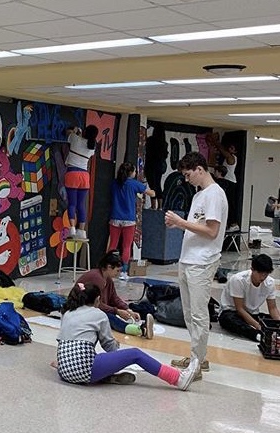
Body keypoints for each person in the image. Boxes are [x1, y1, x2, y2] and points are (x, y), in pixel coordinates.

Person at [54, 282, 199, 389]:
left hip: (64, 372)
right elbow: (110, 348)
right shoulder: (99, 314)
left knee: (94, 356)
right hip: (85, 371)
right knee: (135, 354)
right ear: (97, 299)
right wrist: (116, 345)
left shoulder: (67, 313)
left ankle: (105, 377)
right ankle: (178, 379)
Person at [166, 152, 228, 378]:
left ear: (200, 169)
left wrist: (181, 222)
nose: (186, 179)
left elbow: (212, 231)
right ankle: (198, 357)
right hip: (188, 259)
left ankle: (197, 362)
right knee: (189, 313)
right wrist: (179, 225)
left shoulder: (214, 194)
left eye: (188, 174)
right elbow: (197, 227)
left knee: (199, 315)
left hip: (202, 262)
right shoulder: (198, 196)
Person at [76, 250, 155, 339]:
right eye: (117, 270)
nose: (118, 273)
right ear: (109, 267)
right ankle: (140, 330)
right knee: (107, 316)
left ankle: (141, 324)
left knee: (112, 313)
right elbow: (97, 305)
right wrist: (117, 311)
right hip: (81, 309)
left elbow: (114, 298)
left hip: (92, 308)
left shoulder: (107, 279)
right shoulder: (97, 278)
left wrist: (127, 309)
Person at [108, 161, 155, 275]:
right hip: (129, 219)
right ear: (131, 173)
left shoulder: (114, 183)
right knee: (126, 246)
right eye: (134, 171)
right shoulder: (134, 184)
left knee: (113, 244)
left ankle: (109, 268)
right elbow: (152, 194)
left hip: (115, 217)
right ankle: (123, 271)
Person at [218, 254, 279, 341]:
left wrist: (277, 324)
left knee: (269, 321)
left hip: (253, 314)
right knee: (229, 320)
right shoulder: (238, 280)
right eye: (260, 273)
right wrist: (257, 326)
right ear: (252, 269)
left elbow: (273, 308)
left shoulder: (270, 283)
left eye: (265, 274)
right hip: (232, 312)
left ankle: (265, 332)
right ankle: (256, 335)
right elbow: (240, 309)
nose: (263, 277)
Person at [64, 125, 98, 239]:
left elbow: (67, 132)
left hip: (72, 173)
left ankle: (72, 228)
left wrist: (74, 131)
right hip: (84, 176)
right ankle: (81, 231)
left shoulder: (75, 138)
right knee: (81, 205)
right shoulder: (92, 146)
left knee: (72, 203)